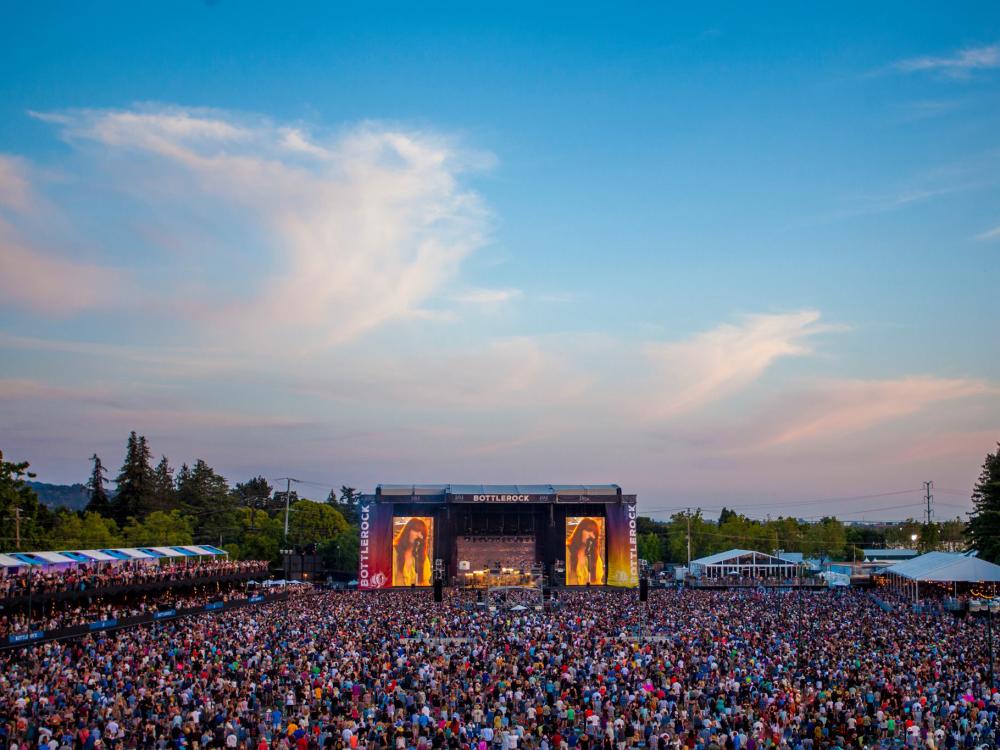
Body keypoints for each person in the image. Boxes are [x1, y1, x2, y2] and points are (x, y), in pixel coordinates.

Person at [393, 517, 433, 586]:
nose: (419, 535)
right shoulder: (394, 552)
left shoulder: (422, 558)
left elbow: (425, 583)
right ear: (408, 531)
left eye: (422, 533)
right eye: (416, 530)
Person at [566, 518, 605, 585]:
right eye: (589, 530)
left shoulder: (595, 557)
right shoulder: (567, 551)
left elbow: (597, 582)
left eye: (594, 534)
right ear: (580, 531)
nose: (591, 535)